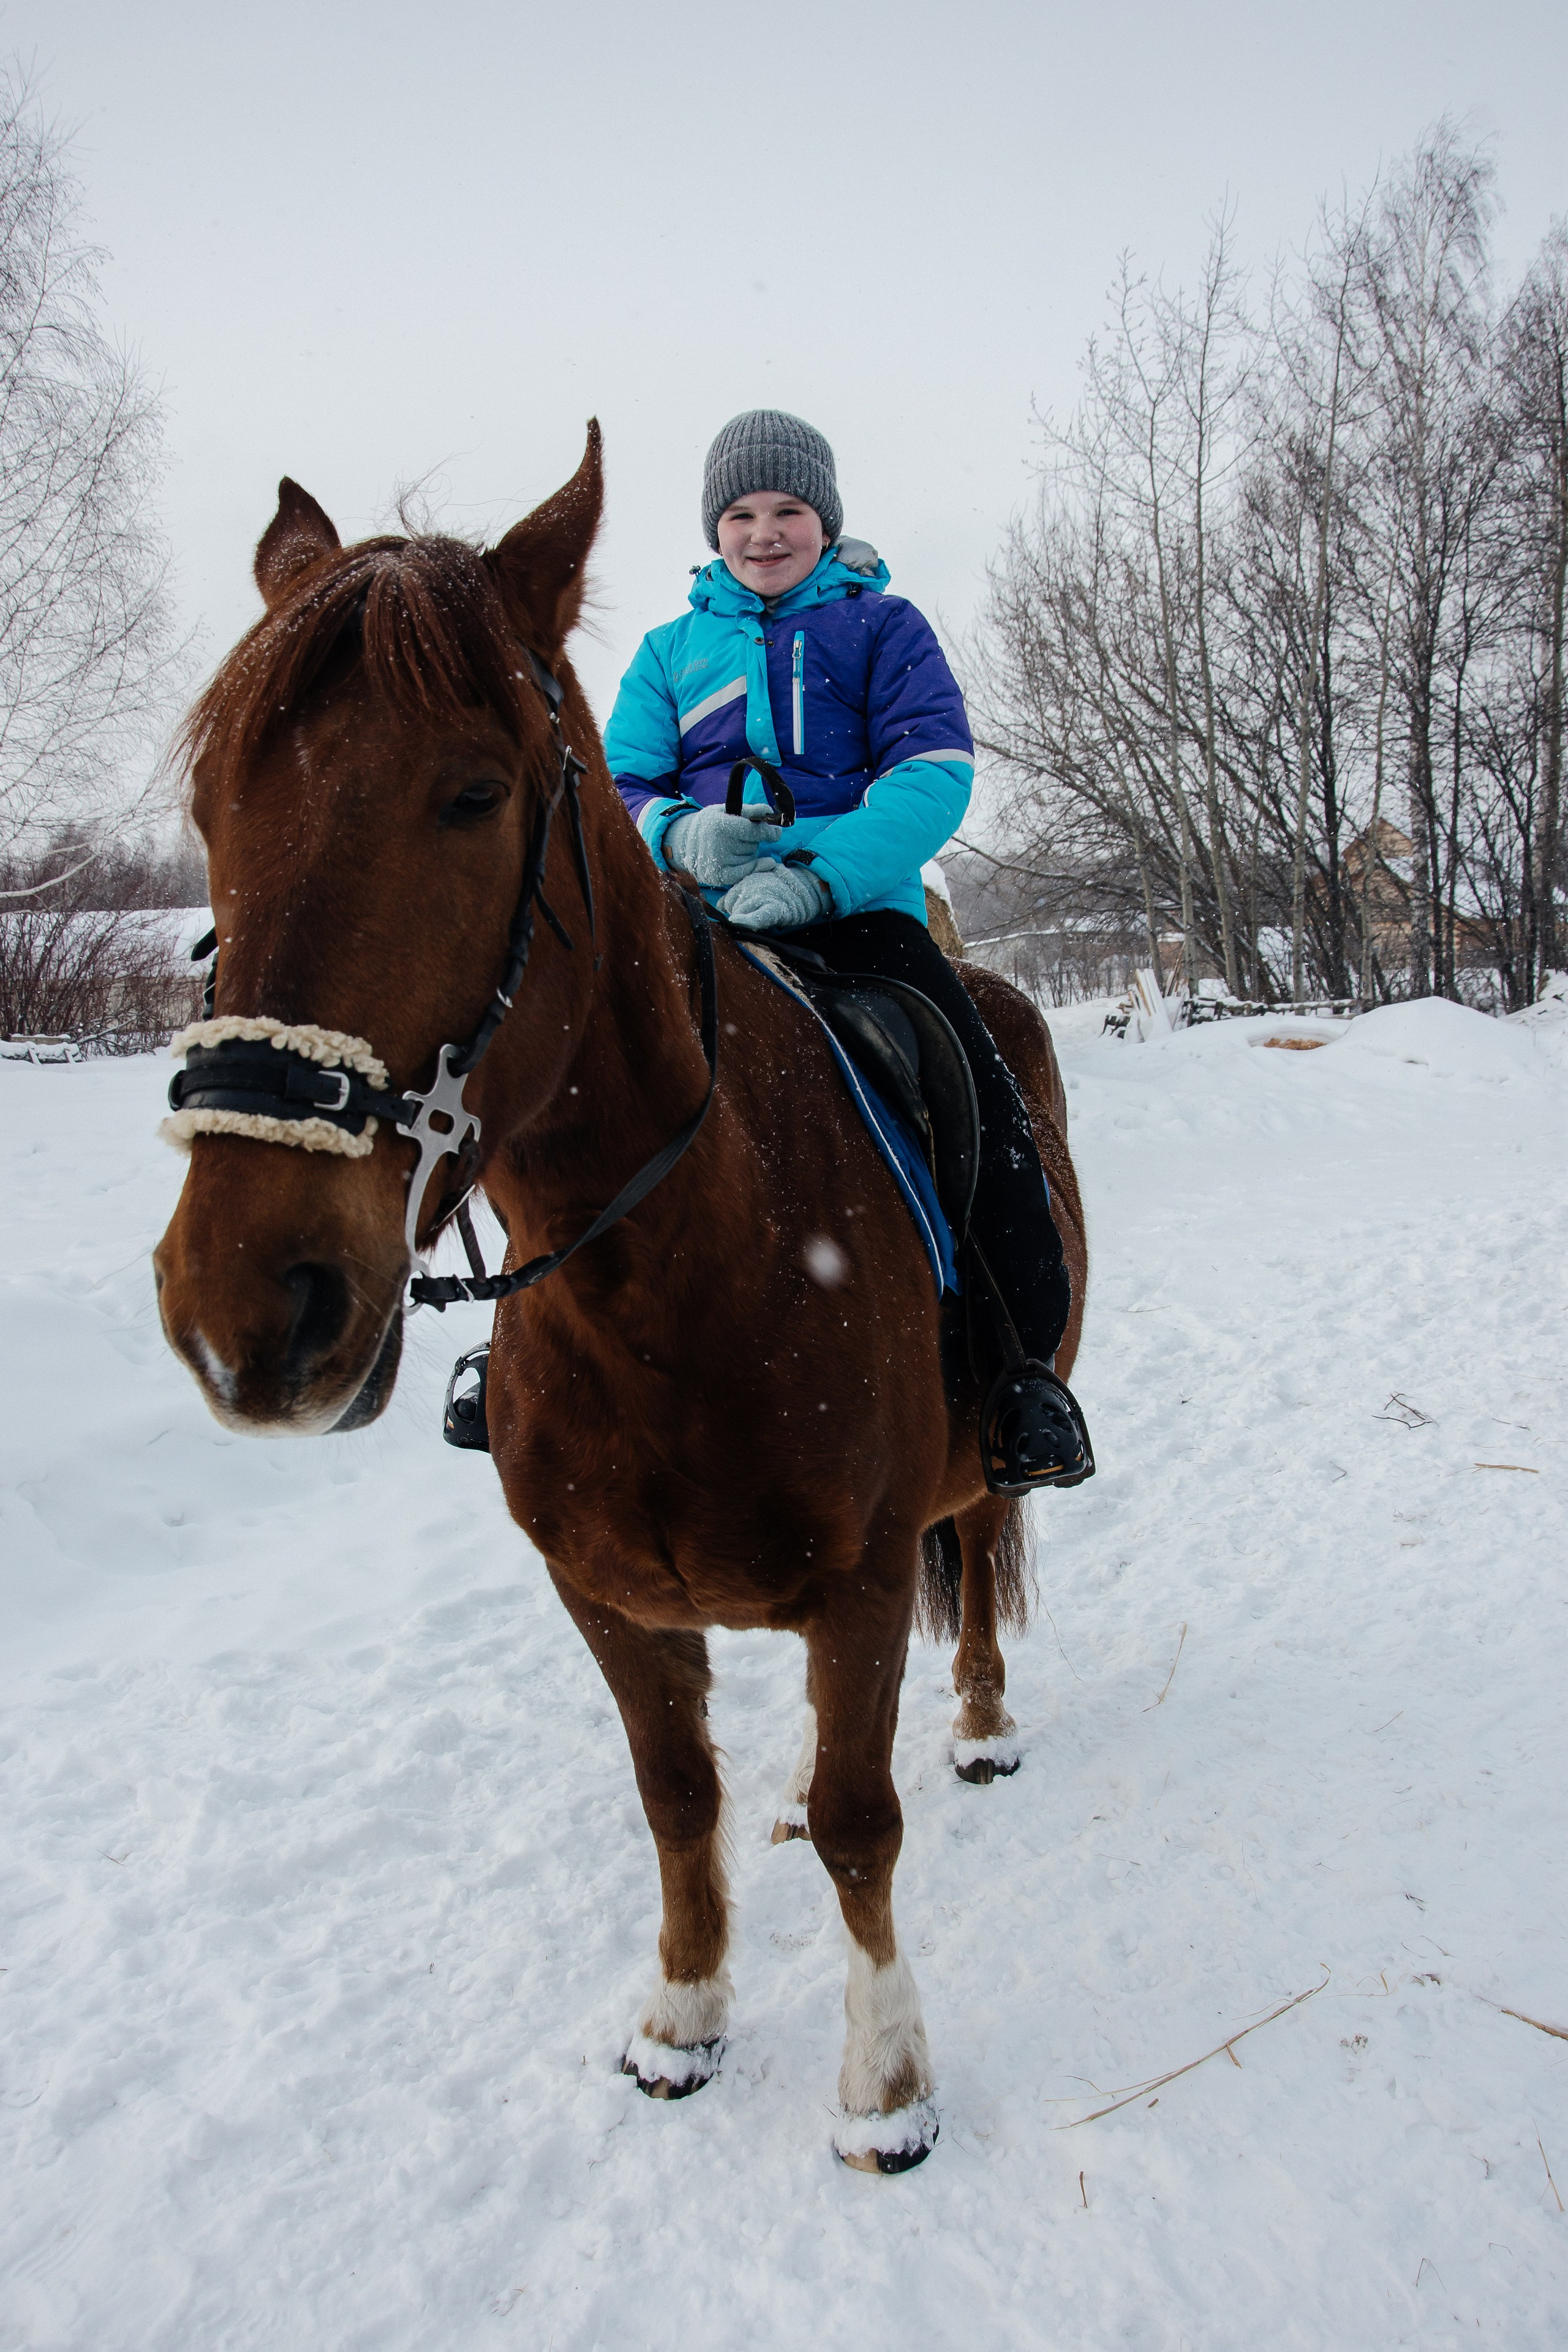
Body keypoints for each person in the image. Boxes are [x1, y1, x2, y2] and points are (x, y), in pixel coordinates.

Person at [604, 409, 1091, 1493]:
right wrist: (675, 832)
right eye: (741, 513)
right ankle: (522, 1343)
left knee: (970, 1084)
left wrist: (819, 873)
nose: (764, 532)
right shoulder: (667, 653)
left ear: (825, 522)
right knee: (576, 1070)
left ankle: (1023, 1373)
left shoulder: (884, 629)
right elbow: (621, 778)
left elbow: (932, 776)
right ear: (713, 528)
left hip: (859, 916)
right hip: (701, 919)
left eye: (787, 511)